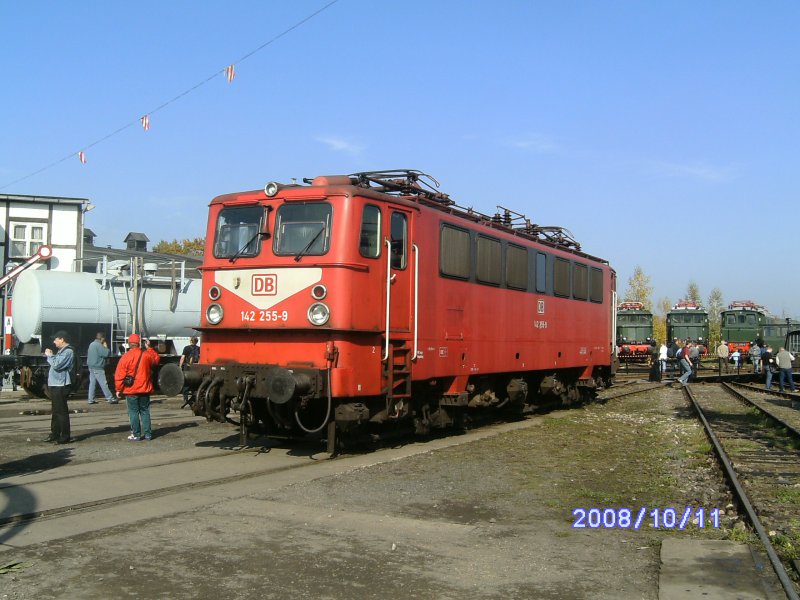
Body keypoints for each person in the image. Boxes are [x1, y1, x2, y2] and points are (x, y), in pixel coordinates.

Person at [114, 334, 160, 441]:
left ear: (129, 344)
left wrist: (118, 389)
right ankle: (148, 434)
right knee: (145, 411)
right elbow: (156, 360)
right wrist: (149, 347)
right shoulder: (146, 355)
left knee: (133, 412)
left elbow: (119, 375)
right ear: (139, 343)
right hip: (144, 388)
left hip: (131, 390)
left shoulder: (125, 357)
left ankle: (136, 434)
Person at [44, 330, 75, 444]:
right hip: (55, 384)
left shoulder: (68, 352)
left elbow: (57, 365)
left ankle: (65, 436)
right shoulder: (61, 351)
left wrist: (50, 355)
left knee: (61, 411)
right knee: (55, 411)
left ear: (62, 339)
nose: (54, 341)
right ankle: (55, 433)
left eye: (56, 339)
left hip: (61, 384)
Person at [87, 332, 116, 404]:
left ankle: (90, 399)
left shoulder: (92, 344)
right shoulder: (99, 345)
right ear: (102, 338)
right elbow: (106, 354)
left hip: (91, 366)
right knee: (103, 383)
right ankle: (110, 398)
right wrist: (105, 347)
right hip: (98, 367)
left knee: (92, 383)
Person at [179, 337, 200, 405]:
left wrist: (180, 367)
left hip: (187, 367)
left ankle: (185, 399)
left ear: (190, 341)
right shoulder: (198, 348)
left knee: (186, 382)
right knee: (195, 381)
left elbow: (183, 358)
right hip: (195, 367)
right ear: (196, 342)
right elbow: (200, 357)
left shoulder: (186, 348)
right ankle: (194, 398)